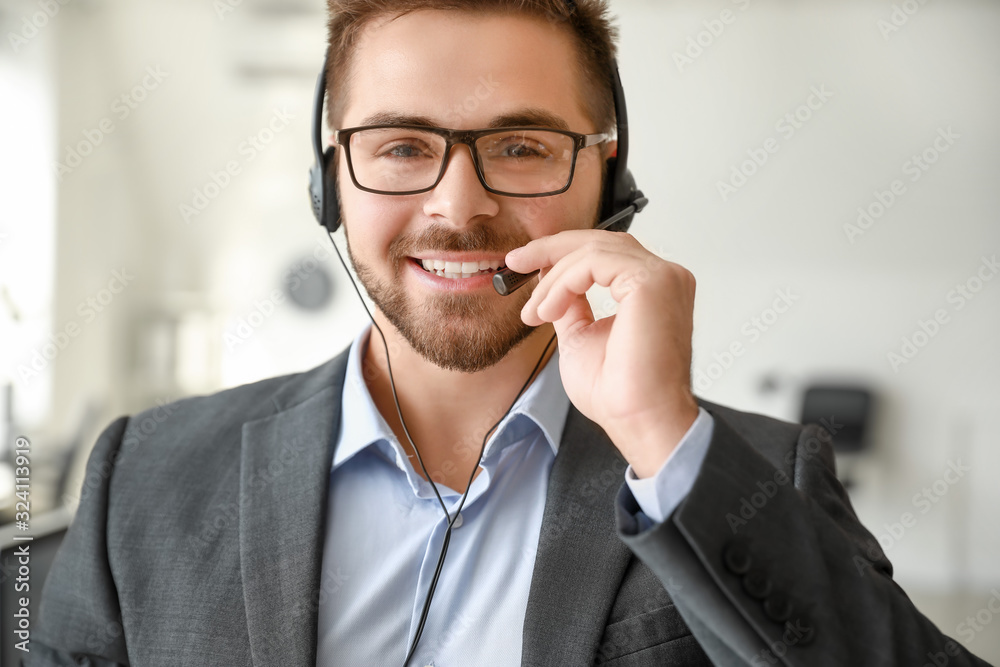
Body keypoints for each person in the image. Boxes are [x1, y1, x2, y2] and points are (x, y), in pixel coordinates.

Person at [29, 1, 993, 665]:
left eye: (521, 146)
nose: (458, 205)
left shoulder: (747, 475)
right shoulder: (145, 474)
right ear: (329, 178)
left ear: (609, 183)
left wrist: (661, 438)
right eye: (402, 146)